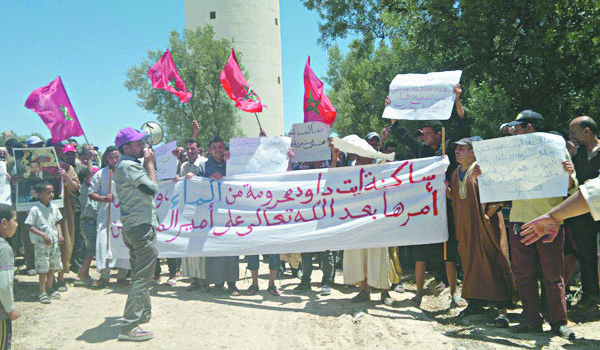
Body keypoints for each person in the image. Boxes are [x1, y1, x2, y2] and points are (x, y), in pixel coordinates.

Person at [388, 89, 469, 307]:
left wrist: (458, 100)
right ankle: (418, 296)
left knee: (449, 252)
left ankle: (454, 293)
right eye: (423, 134)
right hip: (426, 209)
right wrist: (393, 112)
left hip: (447, 206)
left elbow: (462, 125)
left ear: (439, 134)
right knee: (421, 253)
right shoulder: (422, 150)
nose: (424, 137)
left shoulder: (450, 150)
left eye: (428, 133)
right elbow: (403, 135)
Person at [502, 110, 577, 339]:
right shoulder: (511, 153)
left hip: (548, 221)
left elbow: (571, 188)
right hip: (519, 219)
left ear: (530, 128)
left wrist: (569, 174)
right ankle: (531, 320)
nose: (514, 131)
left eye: (518, 127)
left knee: (552, 274)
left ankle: (558, 322)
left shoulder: (555, 149)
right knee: (523, 273)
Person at [449, 137, 514, 327]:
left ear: (473, 152)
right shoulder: (455, 173)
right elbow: (458, 198)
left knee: (492, 259)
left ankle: (502, 308)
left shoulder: (482, 168)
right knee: (470, 261)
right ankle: (475, 302)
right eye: (456, 148)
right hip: (466, 227)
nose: (457, 151)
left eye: (462, 148)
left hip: (485, 225)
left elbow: (499, 194)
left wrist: (488, 214)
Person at [114, 127, 159, 341]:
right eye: (138, 143)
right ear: (126, 147)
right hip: (141, 227)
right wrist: (150, 164)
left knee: (140, 272)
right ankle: (129, 326)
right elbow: (151, 189)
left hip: (134, 226)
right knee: (143, 275)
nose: (143, 146)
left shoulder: (126, 165)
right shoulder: (128, 166)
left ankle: (143, 314)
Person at [563, 116, 600, 311]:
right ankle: (590, 297)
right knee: (586, 255)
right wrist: (567, 155)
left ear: (587, 131)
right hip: (583, 212)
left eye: (573, 132)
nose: (570, 136)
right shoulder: (575, 155)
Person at [88, 146, 130, 286]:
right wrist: (103, 198)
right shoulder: (101, 173)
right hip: (106, 213)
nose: (114, 160)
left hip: (123, 213)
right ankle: (104, 275)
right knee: (103, 243)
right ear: (106, 158)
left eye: (117, 157)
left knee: (123, 243)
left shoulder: (127, 172)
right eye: (111, 157)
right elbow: (91, 192)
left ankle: (122, 276)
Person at [25, 182, 64, 304]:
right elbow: (29, 225)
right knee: (43, 269)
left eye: (52, 192)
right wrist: (42, 234)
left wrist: (60, 234)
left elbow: (57, 222)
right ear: (39, 194)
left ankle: (50, 288)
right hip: (42, 244)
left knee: (52, 267)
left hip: (54, 242)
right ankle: (42, 292)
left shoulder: (54, 207)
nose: (51, 195)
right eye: (48, 193)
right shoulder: (35, 209)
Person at [0, 204, 21, 349]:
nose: (17, 224)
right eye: (14, 220)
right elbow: (4, 285)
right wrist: (10, 309)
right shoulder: (4, 249)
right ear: (4, 223)